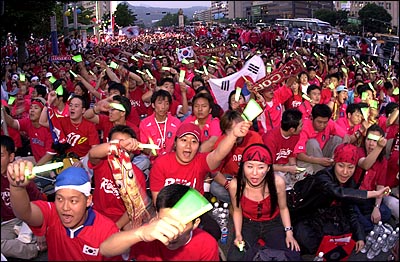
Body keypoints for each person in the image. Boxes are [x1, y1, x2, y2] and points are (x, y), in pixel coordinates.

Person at [6, 163, 124, 261]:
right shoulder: (52, 213)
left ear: (88, 200)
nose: (65, 207)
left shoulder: (107, 231)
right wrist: (17, 188)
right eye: (60, 199)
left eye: (73, 201)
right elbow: (24, 213)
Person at [289, 143, 391, 255]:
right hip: (306, 215)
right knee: (306, 241)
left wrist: (360, 236)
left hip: (328, 215)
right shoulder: (322, 177)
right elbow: (338, 193)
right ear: (334, 163)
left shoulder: (350, 182)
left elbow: (350, 209)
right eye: (341, 166)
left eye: (350, 167)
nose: (345, 172)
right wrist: (374, 194)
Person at [101, 184, 219, 261]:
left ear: (196, 223)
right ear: (157, 216)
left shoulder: (206, 245)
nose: (171, 232)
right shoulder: (148, 235)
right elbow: (105, 249)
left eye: (180, 224)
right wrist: (139, 234)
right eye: (165, 221)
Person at [226, 144, 301, 261]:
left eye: (261, 167)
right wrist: (238, 234)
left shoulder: (278, 182)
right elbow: (237, 210)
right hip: (248, 224)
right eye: (249, 166)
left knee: (293, 255)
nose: (254, 173)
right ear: (242, 166)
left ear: (268, 168)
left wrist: (289, 232)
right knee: (234, 258)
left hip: (273, 223)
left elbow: (283, 208)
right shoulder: (236, 185)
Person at [88, 125, 153, 231]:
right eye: (116, 142)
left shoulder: (137, 174)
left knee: (134, 231)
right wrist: (119, 145)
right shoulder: (102, 162)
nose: (121, 147)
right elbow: (92, 153)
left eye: (126, 143)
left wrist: (116, 227)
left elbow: (134, 207)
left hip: (122, 219)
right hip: (97, 214)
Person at [1, 135, 46, 260]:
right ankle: (29, 248)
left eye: (1, 155)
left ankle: (29, 247)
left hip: (28, 219)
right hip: (10, 222)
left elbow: (39, 203)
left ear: (11, 157)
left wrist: (40, 231)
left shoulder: (20, 175)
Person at [210, 110, 263, 203]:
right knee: (215, 187)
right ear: (224, 131)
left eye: (238, 128)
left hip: (252, 177)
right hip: (230, 178)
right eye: (230, 130)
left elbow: (263, 164)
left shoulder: (255, 137)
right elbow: (214, 171)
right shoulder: (221, 143)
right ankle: (242, 202)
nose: (236, 133)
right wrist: (228, 185)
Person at [352, 124, 392, 232]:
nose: (371, 144)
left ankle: (364, 226)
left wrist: (377, 207)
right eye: (369, 139)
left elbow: (380, 186)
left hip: (369, 198)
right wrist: (379, 147)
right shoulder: (358, 152)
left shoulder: (383, 161)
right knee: (359, 219)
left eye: (375, 141)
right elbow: (365, 164)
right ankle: (366, 227)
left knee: (385, 213)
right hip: (354, 196)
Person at [294, 104, 353, 175]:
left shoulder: (329, 123)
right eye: (319, 122)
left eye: (325, 122)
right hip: (309, 158)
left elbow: (346, 136)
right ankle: (323, 174)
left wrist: (338, 152)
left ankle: (333, 169)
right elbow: (299, 154)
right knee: (312, 143)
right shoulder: (304, 127)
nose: (322, 125)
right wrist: (319, 161)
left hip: (323, 154)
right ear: (312, 118)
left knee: (337, 139)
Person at [262, 108, 303, 190]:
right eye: (301, 125)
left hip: (285, 167)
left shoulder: (295, 135)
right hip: (271, 170)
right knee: (280, 181)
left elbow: (291, 154)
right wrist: (287, 169)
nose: (302, 128)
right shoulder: (270, 138)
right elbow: (266, 166)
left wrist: (293, 167)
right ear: (292, 129)